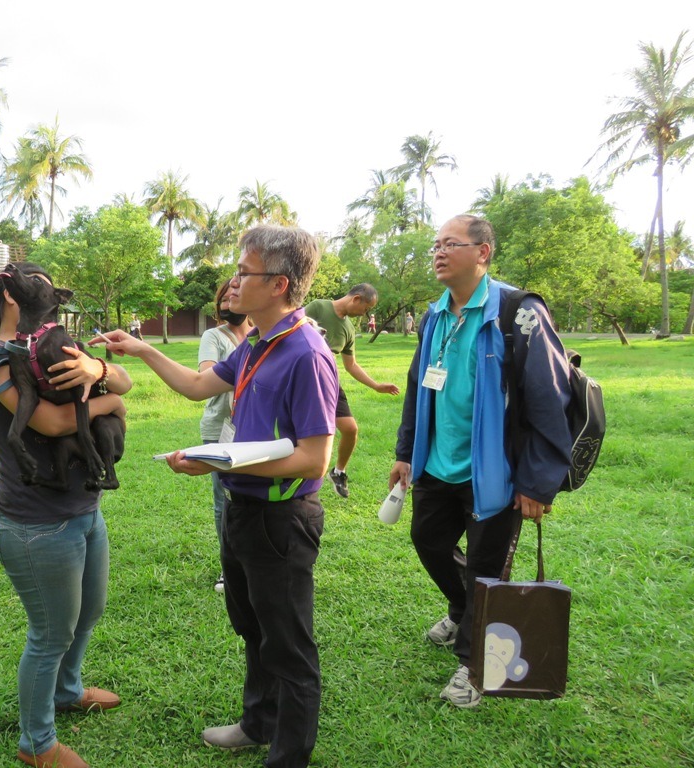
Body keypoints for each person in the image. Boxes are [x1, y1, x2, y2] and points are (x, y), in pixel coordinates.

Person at [100, 225, 338, 768]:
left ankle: (289, 756)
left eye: (244, 272)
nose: (233, 281)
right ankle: (258, 724)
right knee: (253, 626)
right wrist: (141, 349)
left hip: (281, 517)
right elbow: (197, 386)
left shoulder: (306, 353)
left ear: (278, 284)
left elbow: (314, 459)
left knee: (289, 645)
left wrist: (223, 461)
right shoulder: (257, 342)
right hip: (243, 509)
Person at [389, 215, 572, 708]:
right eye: (436, 244)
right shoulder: (434, 316)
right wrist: (406, 453)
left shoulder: (519, 312)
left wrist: (537, 481)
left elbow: (548, 400)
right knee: (428, 540)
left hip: (495, 471)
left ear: (483, 252)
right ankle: (463, 608)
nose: (438, 252)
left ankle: (474, 667)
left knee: (487, 570)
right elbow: (418, 387)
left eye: (451, 243)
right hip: (437, 463)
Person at [0, 263, 133, 768]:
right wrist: (109, 404)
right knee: (51, 634)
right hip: (35, 524)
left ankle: (67, 690)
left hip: (84, 508)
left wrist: (101, 374)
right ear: (13, 298)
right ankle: (35, 744)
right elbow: (53, 422)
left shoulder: (55, 341)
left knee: (89, 613)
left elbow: (124, 379)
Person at [304, 285, 399, 498]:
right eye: (366, 308)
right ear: (356, 299)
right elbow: (291, 329)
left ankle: (339, 472)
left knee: (350, 429)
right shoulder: (318, 307)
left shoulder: (348, 328)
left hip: (328, 379)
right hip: (304, 377)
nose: (365, 314)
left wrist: (376, 385)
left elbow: (351, 365)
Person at [198, 279, 253, 592]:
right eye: (224, 300)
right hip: (221, 428)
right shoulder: (213, 336)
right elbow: (205, 377)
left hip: (254, 427)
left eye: (235, 296)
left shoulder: (261, 334)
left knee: (251, 497)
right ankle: (228, 568)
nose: (230, 303)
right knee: (225, 500)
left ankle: (251, 561)